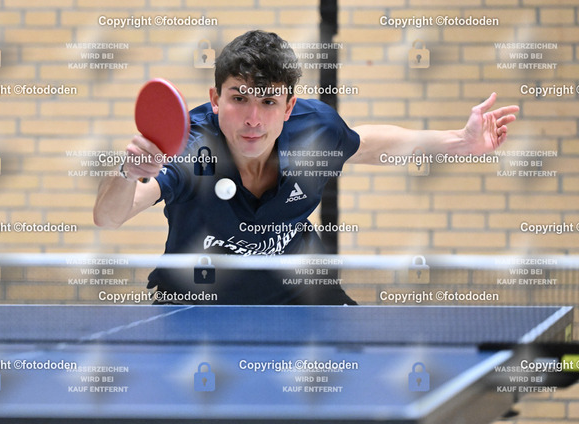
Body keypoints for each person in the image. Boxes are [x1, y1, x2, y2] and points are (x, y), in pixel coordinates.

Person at [93, 30, 518, 305]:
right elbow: (110, 217)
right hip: (197, 302)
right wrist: (128, 172)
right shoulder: (190, 148)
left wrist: (460, 142)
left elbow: (368, 144)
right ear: (215, 99)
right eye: (239, 98)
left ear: (289, 106)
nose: (253, 119)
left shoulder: (315, 130)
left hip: (299, 293)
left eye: (268, 101)